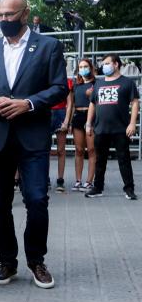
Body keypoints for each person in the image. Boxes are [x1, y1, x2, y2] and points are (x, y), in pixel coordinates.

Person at [0, 0, 68, 289]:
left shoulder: (48, 46)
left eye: (9, 15)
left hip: (32, 136)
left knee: (37, 200)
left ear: (25, 14)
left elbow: (60, 88)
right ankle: (7, 261)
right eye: (0, 15)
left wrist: (29, 103)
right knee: (0, 204)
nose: (3, 20)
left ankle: (36, 260)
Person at [85, 54, 139, 200]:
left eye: (107, 63)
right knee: (100, 160)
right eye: (103, 63)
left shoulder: (127, 83)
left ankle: (129, 189)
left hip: (121, 129)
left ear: (116, 64)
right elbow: (92, 104)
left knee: (124, 160)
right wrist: (89, 124)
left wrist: (132, 123)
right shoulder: (98, 84)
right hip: (101, 129)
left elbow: (135, 103)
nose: (104, 66)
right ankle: (98, 188)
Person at [68, 59, 97, 191]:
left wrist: (93, 95)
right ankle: (78, 180)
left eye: (86, 66)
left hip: (92, 118)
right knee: (79, 150)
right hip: (78, 117)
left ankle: (89, 181)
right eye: (81, 67)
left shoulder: (97, 84)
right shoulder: (76, 85)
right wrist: (69, 123)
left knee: (91, 150)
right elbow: (72, 105)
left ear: (91, 68)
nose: (83, 68)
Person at [49, 77, 73, 193]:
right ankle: (45, 178)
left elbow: (69, 102)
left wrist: (66, 121)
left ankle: (60, 179)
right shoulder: (45, 77)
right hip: (46, 112)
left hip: (61, 113)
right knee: (44, 150)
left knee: (61, 150)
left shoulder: (67, 81)